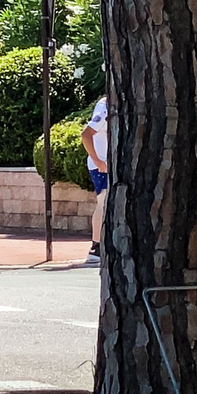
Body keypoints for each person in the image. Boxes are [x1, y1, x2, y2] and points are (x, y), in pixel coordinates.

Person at [81, 93, 110, 267]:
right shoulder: (105, 106)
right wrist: (98, 160)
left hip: (110, 163)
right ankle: (96, 247)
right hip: (101, 165)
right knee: (103, 201)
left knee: (107, 202)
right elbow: (86, 134)